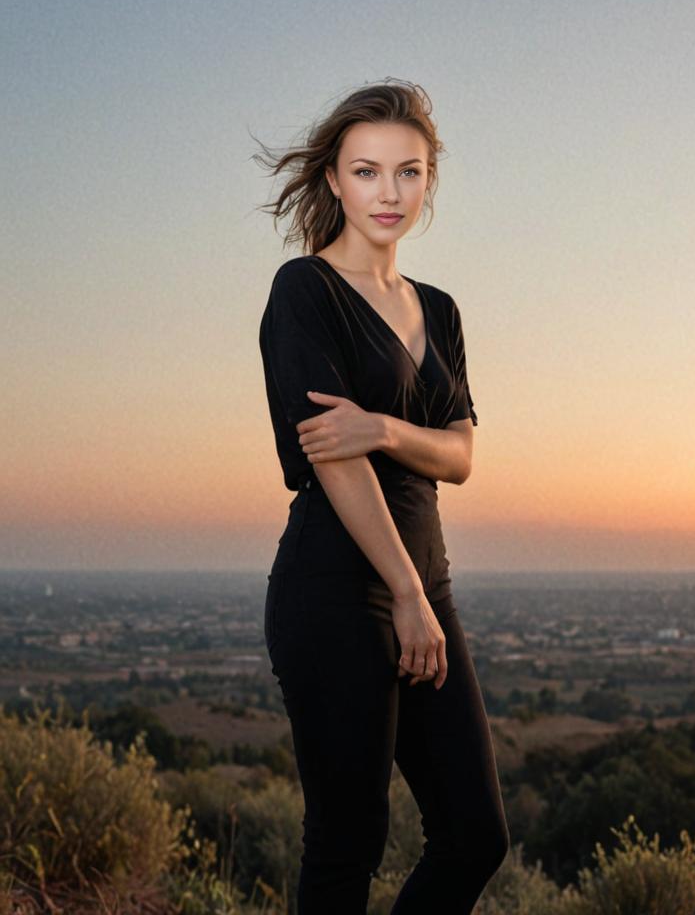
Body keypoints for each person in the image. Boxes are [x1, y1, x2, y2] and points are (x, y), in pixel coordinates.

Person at [255, 79, 509, 913]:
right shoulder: (305, 291)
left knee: (475, 834)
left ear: (430, 180)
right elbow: (333, 457)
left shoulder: (438, 309)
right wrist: (403, 591)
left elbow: (462, 455)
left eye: (409, 172)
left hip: (425, 586)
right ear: (334, 179)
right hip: (337, 587)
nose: (389, 194)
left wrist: (387, 429)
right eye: (367, 172)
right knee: (347, 843)